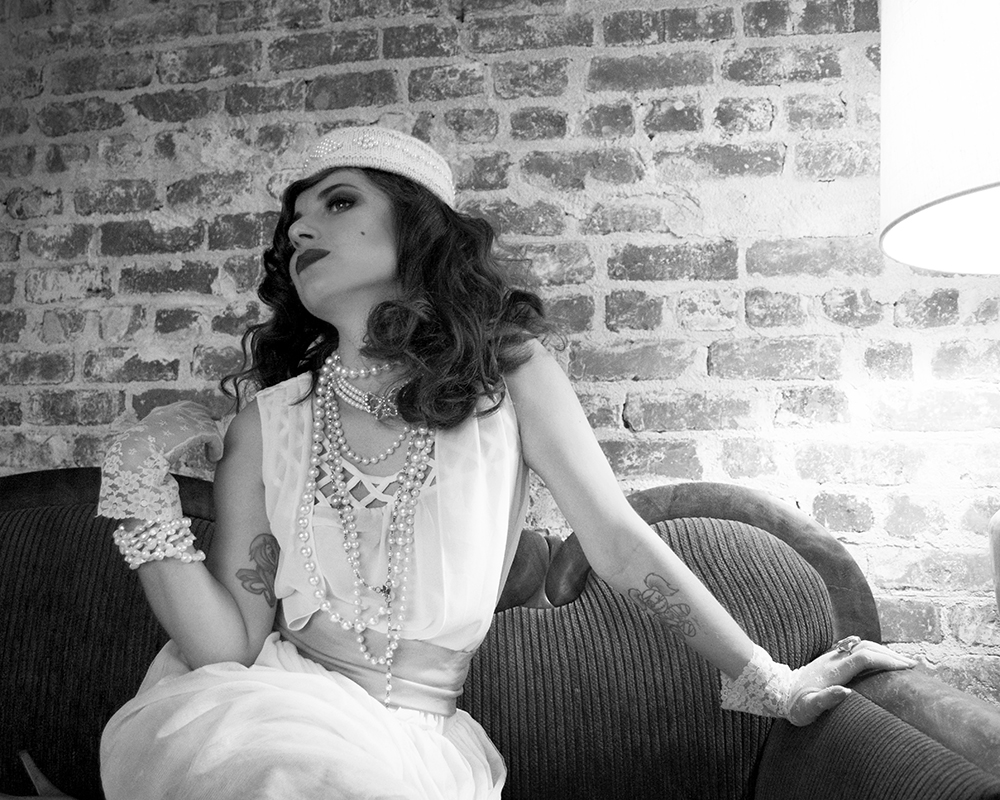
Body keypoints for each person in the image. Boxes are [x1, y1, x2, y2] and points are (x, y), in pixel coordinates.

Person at [96, 125, 915, 800]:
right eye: (292, 225)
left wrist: (771, 681)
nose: (301, 231)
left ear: (416, 226)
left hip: (417, 749)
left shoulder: (508, 377)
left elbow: (617, 543)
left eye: (338, 202)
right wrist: (137, 485)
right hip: (267, 715)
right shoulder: (266, 423)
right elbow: (228, 647)